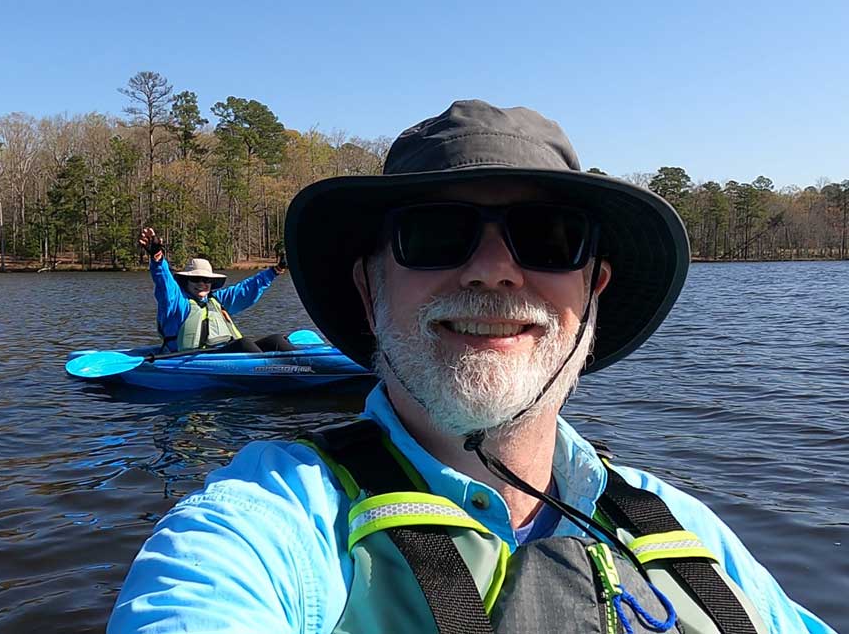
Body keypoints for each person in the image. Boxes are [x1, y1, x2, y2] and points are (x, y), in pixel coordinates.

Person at [110, 103, 835, 633]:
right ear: (369, 291)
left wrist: (264, 275)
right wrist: (159, 263)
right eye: (434, 234)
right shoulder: (266, 522)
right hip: (195, 363)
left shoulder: (689, 531)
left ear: (594, 292)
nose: (492, 270)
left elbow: (241, 296)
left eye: (548, 238)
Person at [137, 227, 296, 353]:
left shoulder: (217, 300)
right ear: (186, 281)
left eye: (207, 280)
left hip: (223, 353)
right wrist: (157, 257)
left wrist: (276, 269)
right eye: (196, 279)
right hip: (190, 360)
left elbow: (247, 289)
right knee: (244, 344)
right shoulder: (176, 302)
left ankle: (307, 369)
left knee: (276, 341)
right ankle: (274, 374)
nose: (202, 283)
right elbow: (164, 283)